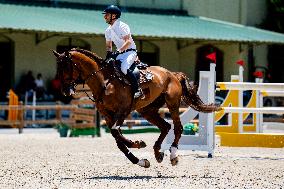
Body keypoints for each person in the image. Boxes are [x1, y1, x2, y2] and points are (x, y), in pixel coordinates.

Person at [102, 5, 144, 99]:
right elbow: (109, 45)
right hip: (120, 54)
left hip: (130, 52)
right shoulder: (108, 31)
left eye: (107, 15)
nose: (105, 17)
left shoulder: (122, 26)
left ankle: (137, 90)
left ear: (114, 16)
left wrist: (118, 51)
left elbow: (128, 42)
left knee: (124, 68)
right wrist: (109, 54)